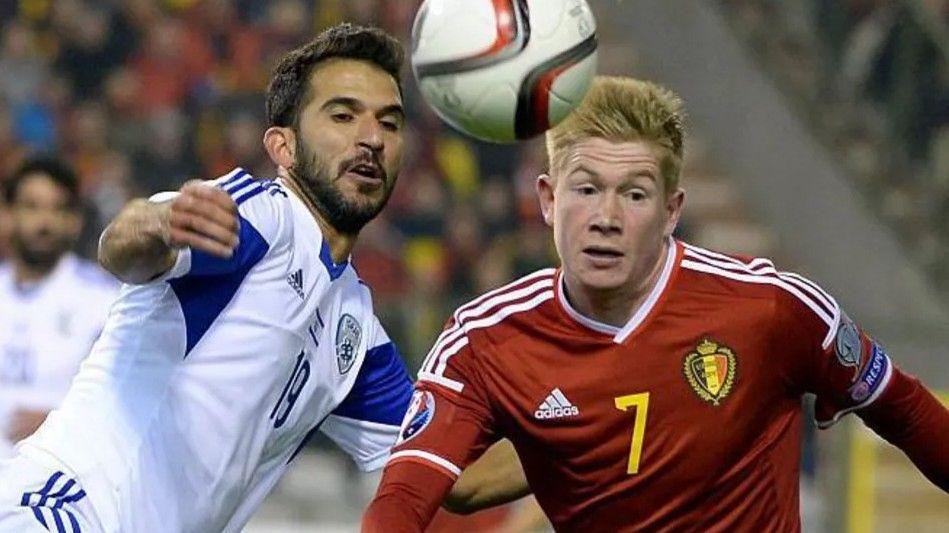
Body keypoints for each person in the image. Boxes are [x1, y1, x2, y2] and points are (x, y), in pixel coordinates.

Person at [363, 76, 949, 531]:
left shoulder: (770, 310)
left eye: (635, 194)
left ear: (672, 210)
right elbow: (409, 496)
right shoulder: (485, 340)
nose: (606, 219)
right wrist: (566, 447)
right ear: (546, 198)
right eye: (586, 189)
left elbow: (904, 408)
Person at [0, 23, 501, 533]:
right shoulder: (265, 220)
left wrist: (582, 418)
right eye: (344, 115)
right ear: (282, 147)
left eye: (390, 124)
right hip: (63, 508)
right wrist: (161, 223)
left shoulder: (355, 328)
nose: (371, 138)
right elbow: (122, 246)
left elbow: (457, 478)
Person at [0, 157, 118, 458]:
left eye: (58, 209)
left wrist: (58, 423)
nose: (44, 223)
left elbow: (125, 401)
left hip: (56, 479)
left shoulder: (105, 301)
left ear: (75, 221)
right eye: (32, 207)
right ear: (7, 215)